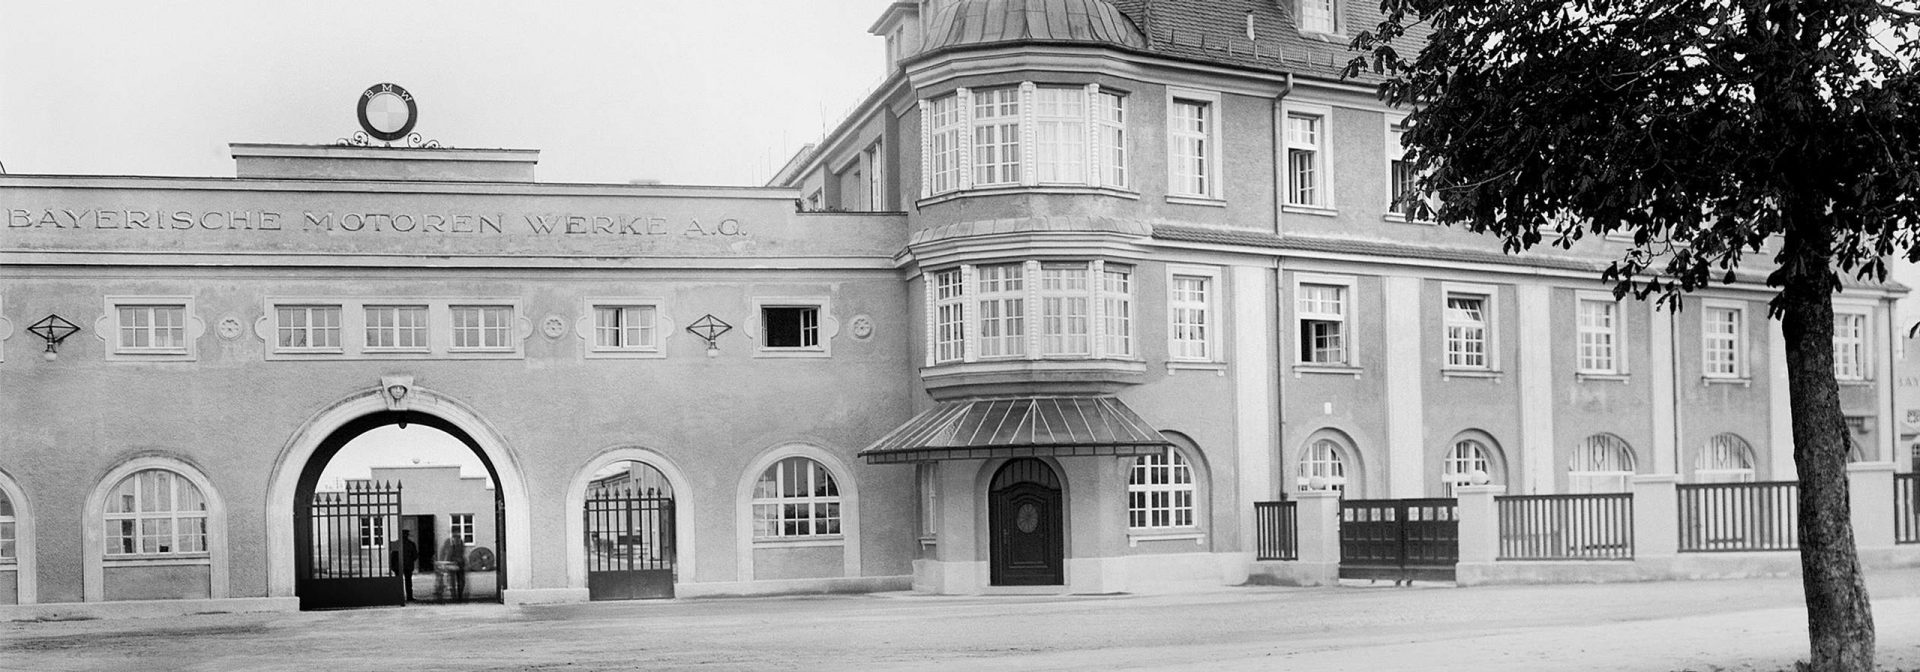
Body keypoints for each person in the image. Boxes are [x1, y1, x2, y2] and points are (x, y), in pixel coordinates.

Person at [435, 533, 468, 601]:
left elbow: (449, 554)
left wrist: (446, 562)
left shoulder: (455, 544)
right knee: (455, 580)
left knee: (457, 581)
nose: (456, 539)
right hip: (455, 564)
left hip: (456, 564)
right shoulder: (456, 544)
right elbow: (449, 553)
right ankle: (456, 595)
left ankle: (456, 595)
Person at [387, 531, 416, 600]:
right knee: (408, 582)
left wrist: (392, 565)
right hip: (408, 565)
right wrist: (410, 561)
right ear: (407, 535)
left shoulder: (396, 544)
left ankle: (398, 596)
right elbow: (415, 555)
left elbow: (392, 556)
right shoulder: (411, 544)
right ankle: (409, 597)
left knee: (398, 582)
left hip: (398, 565)